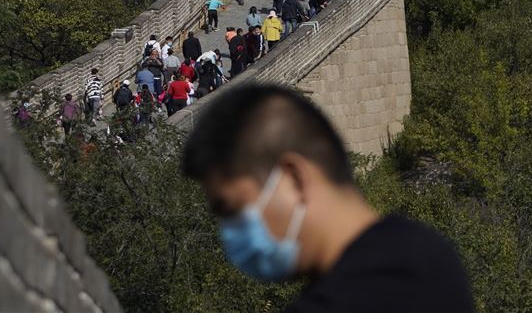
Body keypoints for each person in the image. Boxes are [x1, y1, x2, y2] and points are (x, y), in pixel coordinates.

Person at [181, 84, 474, 311]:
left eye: (233, 209)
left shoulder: (366, 293)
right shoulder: (424, 248)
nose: (229, 233)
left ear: (294, 179)